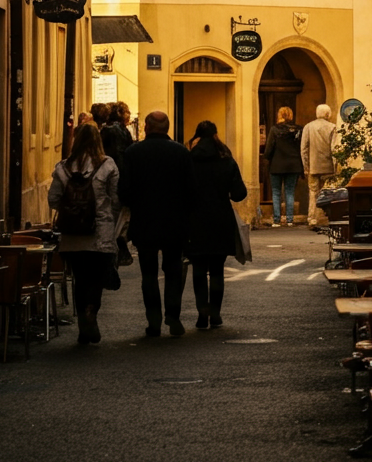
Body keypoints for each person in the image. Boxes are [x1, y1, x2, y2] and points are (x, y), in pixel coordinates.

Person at [118, 110, 194, 336]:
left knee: (148, 273)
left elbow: (124, 191)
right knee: (173, 270)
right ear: (167, 128)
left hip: (145, 221)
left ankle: (153, 321)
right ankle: (173, 317)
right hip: (174, 222)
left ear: (147, 127)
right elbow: (191, 189)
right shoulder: (181, 152)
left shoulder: (133, 153)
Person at [47, 122, 120, 345]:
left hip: (72, 236)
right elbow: (116, 199)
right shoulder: (107, 165)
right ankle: (91, 312)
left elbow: (53, 200)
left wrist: (71, 212)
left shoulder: (63, 167)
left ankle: (82, 326)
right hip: (100, 233)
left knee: (79, 279)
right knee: (96, 279)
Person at [185, 120, 248, 330]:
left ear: (197, 136)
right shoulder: (226, 160)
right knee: (217, 270)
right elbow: (240, 194)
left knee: (199, 268)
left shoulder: (189, 160)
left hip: (195, 219)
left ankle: (202, 311)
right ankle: (216, 314)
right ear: (215, 135)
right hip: (221, 218)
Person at [262, 106, 303, 227]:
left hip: (277, 164)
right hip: (293, 164)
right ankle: (290, 219)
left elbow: (269, 147)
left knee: (276, 192)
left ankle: (276, 220)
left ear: (279, 115)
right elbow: (302, 146)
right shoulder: (298, 129)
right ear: (291, 115)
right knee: (289, 192)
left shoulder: (275, 129)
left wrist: (266, 158)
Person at [301, 103, 338, 226]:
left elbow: (304, 148)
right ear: (327, 114)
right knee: (327, 192)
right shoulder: (332, 127)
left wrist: (306, 166)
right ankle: (324, 217)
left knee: (313, 192)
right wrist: (335, 166)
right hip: (328, 166)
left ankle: (312, 218)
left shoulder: (308, 127)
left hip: (313, 166)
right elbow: (334, 149)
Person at [101, 101, 134, 172]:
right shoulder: (117, 129)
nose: (129, 114)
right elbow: (118, 152)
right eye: (127, 112)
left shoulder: (107, 128)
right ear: (119, 113)